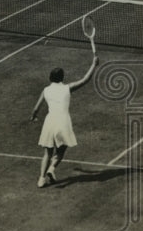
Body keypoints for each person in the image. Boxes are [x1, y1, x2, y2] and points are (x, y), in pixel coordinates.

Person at [30, 57, 99, 188]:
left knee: (47, 153)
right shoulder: (68, 88)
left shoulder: (45, 90)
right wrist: (94, 65)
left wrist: (33, 117)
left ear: (50, 78)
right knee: (61, 150)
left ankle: (41, 179)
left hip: (49, 122)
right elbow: (85, 79)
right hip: (63, 122)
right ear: (62, 78)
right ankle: (51, 169)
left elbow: (35, 109)